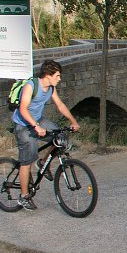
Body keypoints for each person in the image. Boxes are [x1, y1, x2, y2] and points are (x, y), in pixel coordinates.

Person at [11, 60, 79, 211]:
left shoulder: (51, 88)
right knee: (26, 160)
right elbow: (22, 109)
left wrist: (73, 121)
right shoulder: (31, 86)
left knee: (60, 137)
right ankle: (24, 196)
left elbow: (60, 105)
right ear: (48, 75)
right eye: (57, 75)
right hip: (23, 124)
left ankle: (42, 163)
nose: (59, 79)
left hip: (38, 120)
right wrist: (35, 127)